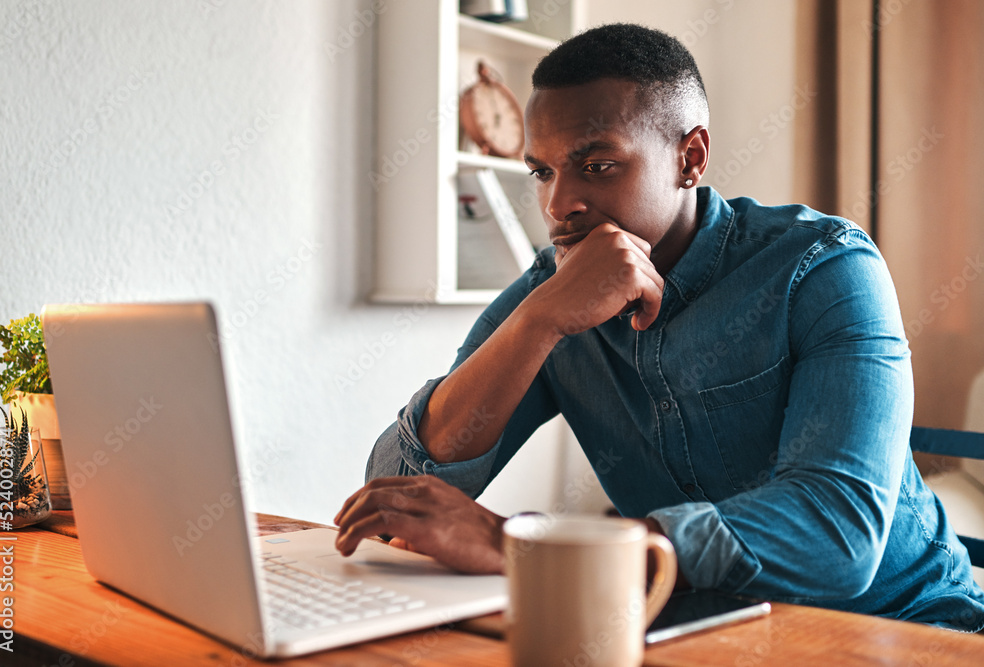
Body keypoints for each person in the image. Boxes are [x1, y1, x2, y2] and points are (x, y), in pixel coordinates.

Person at [334, 23, 984, 630]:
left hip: (906, 625)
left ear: (690, 157)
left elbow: (836, 535)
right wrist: (535, 323)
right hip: (698, 628)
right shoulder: (551, 290)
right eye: (542, 171)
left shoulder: (823, 267)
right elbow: (397, 494)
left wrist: (531, 547)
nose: (559, 205)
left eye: (597, 165)